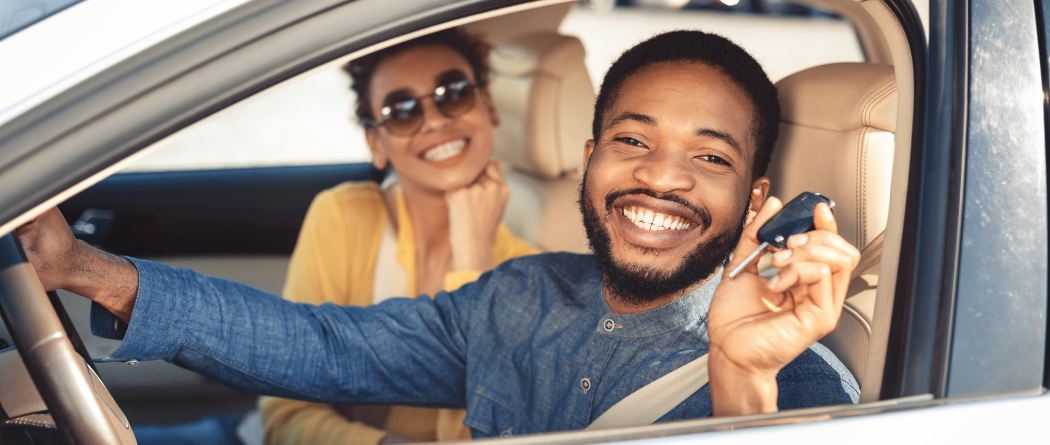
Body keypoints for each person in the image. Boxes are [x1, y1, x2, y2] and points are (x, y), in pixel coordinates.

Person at [16, 30, 862, 438]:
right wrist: (87, 267)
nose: (661, 177)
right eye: (633, 141)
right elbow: (321, 343)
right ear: (589, 161)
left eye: (707, 157)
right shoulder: (519, 294)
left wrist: (740, 382)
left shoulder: (799, 381)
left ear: (755, 202)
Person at [259, 28, 538, 445]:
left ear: (490, 107)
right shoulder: (342, 216)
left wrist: (472, 262)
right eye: (403, 110)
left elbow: (486, 434)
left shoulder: (532, 277)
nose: (436, 120)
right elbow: (286, 412)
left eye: (455, 92)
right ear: (376, 143)